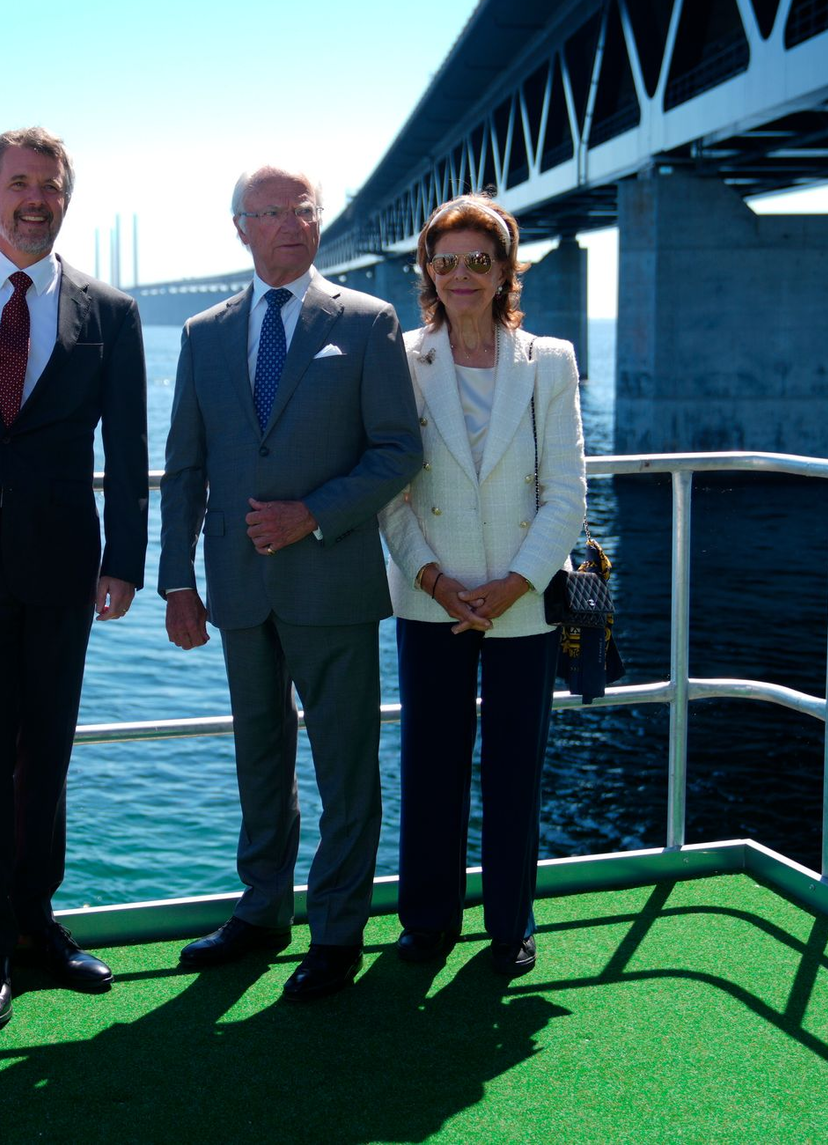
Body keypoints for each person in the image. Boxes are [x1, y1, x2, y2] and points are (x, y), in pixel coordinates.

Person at [160, 165, 421, 1002]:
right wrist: (175, 581)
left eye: (301, 209)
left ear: (318, 219)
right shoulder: (204, 333)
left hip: (333, 579)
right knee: (259, 755)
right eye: (268, 213)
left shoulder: (369, 320)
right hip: (236, 586)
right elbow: (186, 467)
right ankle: (263, 909)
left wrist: (312, 512)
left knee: (347, 762)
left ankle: (337, 929)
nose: (288, 224)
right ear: (239, 227)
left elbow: (398, 450)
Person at [0, 127, 147, 1030]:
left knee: (46, 752)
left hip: (62, 566)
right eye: (18, 184)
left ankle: (41, 922)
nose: (34, 199)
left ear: (66, 198)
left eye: (49, 185)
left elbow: (128, 450)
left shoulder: (110, 312)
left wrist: (126, 559)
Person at [378, 193, 586, 977]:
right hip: (429, 595)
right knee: (430, 764)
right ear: (427, 269)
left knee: (514, 767)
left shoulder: (551, 361)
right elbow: (388, 494)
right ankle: (427, 922)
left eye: (480, 260)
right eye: (447, 260)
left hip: (522, 600)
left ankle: (511, 922)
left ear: (505, 270)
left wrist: (512, 584)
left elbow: (566, 493)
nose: (462, 274)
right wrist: (433, 577)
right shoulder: (397, 357)